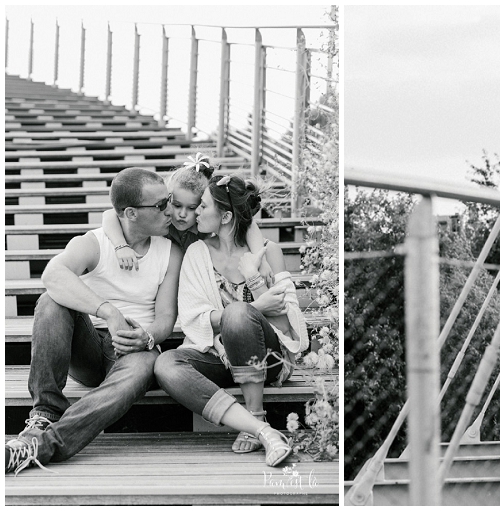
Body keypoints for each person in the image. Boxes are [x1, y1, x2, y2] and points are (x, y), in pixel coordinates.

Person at [6, 168, 183, 475]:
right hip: (87, 347)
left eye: (168, 200)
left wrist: (148, 337)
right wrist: (108, 312)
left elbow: (167, 317)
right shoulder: (94, 243)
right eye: (160, 205)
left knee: (146, 364)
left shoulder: (171, 252)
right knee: (51, 301)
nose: (169, 210)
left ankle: (42, 445)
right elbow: (52, 275)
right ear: (130, 213)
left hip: (134, 350)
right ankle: (46, 411)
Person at [153, 174, 308, 467]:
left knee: (237, 312)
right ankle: (258, 429)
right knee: (165, 364)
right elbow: (191, 317)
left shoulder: (268, 251)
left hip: (269, 359)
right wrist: (258, 305)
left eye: (203, 207)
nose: (195, 212)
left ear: (224, 216)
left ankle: (255, 414)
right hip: (219, 356)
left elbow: (288, 327)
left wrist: (253, 276)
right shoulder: (197, 253)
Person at [101, 153, 265, 267]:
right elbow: (111, 215)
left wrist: (261, 260)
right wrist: (121, 246)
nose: (182, 214)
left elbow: (248, 224)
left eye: (192, 208)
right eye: (177, 205)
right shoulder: (159, 220)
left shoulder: (204, 227)